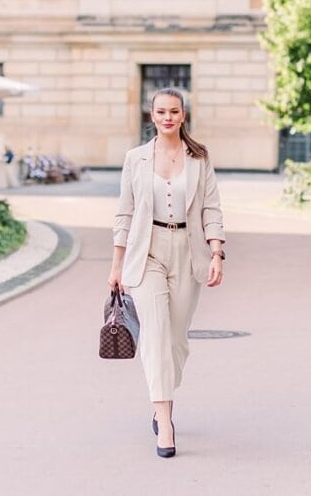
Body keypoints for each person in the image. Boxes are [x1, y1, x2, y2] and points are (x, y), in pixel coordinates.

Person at [108, 87, 226, 458]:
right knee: (156, 335)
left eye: (174, 112)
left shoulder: (199, 158)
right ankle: (165, 419)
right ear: (152, 116)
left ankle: (161, 392)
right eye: (161, 112)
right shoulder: (136, 159)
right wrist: (116, 265)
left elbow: (211, 208)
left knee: (176, 340)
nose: (167, 118)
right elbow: (124, 213)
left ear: (183, 115)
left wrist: (217, 252)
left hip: (188, 253)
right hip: (147, 253)